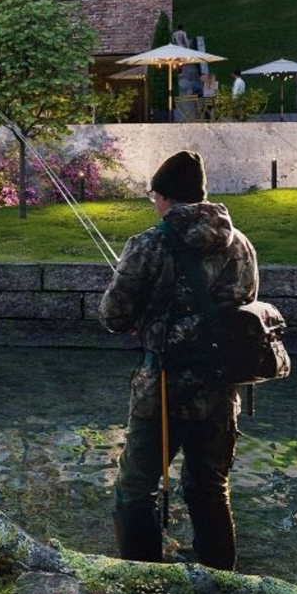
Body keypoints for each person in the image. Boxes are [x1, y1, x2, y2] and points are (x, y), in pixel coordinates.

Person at [101, 149, 258, 571]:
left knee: (135, 488)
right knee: (210, 487)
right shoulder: (240, 244)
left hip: (164, 389)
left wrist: (143, 321)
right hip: (223, 388)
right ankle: (223, 582)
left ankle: (144, 584)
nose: (153, 203)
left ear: (167, 197)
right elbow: (243, 307)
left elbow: (114, 316)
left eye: (154, 195)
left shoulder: (149, 244)